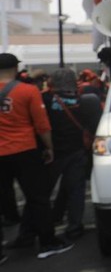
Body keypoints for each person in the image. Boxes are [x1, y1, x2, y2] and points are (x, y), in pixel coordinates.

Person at [0, 54, 74, 259]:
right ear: (15, 68)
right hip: (24, 150)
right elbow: (42, 125)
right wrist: (49, 148)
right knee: (38, 198)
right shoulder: (28, 91)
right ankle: (47, 242)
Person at [43, 69, 102, 240]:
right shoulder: (85, 100)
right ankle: (74, 227)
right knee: (76, 191)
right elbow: (94, 125)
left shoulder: (45, 99)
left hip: (52, 153)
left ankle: (33, 229)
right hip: (77, 151)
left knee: (41, 193)